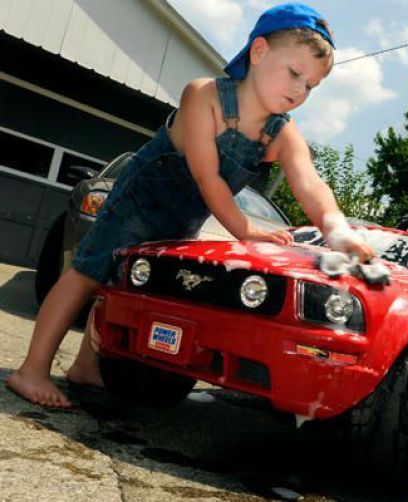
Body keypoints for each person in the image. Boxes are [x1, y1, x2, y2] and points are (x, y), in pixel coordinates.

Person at [6, 3, 374, 407]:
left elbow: (310, 183)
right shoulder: (205, 96)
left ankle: (86, 366)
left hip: (182, 218)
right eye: (294, 73)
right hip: (139, 201)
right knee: (87, 274)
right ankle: (32, 370)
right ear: (259, 51)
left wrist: (337, 230)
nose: (300, 90)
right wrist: (246, 230)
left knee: (125, 286)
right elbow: (207, 177)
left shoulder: (281, 134)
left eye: (311, 86)